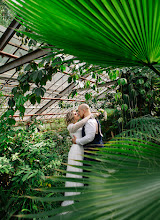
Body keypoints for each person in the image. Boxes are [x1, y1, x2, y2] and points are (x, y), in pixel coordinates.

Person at [61, 110, 91, 207]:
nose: (77, 114)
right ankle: (72, 197)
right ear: (71, 117)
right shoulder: (70, 126)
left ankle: (78, 195)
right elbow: (81, 123)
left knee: (79, 172)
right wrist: (90, 115)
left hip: (80, 149)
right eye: (75, 113)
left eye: (77, 113)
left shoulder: (78, 124)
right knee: (74, 172)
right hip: (75, 151)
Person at [72, 104, 103, 169]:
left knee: (88, 172)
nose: (78, 114)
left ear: (83, 111)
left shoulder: (89, 122)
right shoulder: (92, 119)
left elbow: (89, 138)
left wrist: (76, 141)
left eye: (79, 112)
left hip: (92, 151)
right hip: (96, 149)